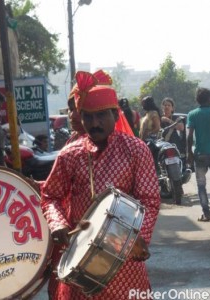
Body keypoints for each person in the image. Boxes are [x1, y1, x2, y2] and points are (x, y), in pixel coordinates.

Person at [40, 70, 161, 299]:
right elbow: (50, 196)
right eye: (88, 116)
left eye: (101, 116)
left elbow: (150, 200)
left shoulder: (136, 150)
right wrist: (57, 223)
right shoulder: (70, 154)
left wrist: (137, 237)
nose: (94, 123)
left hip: (124, 261)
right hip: (80, 259)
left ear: (115, 116)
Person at [187, 87, 210, 222]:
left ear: (197, 100)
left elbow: (189, 136)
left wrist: (189, 152)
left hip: (200, 154)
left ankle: (206, 214)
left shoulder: (192, 114)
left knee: (201, 185)